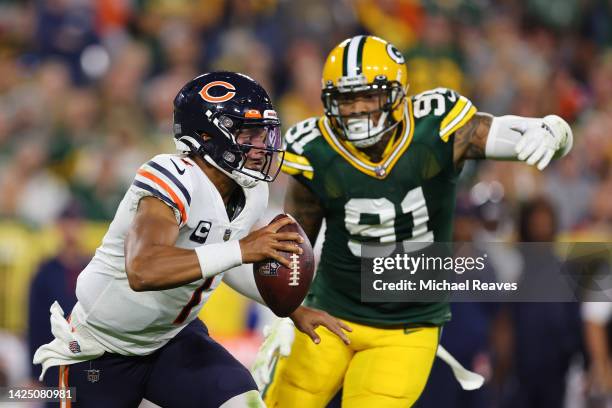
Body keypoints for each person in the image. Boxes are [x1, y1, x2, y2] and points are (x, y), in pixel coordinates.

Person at [252, 35, 574, 407]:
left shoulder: (436, 126)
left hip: (405, 326)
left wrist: (555, 130)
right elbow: (295, 242)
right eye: (346, 99)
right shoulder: (315, 148)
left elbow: (507, 133)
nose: (356, 110)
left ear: (398, 95)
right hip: (331, 310)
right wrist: (282, 309)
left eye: (368, 96)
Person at [33, 71, 346, 408]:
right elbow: (143, 269)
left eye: (263, 134)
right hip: (102, 348)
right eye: (248, 134)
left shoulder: (252, 189)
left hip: (172, 339)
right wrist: (241, 250)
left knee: (245, 404)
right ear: (207, 135)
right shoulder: (171, 176)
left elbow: (225, 263)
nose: (260, 147)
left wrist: (291, 308)